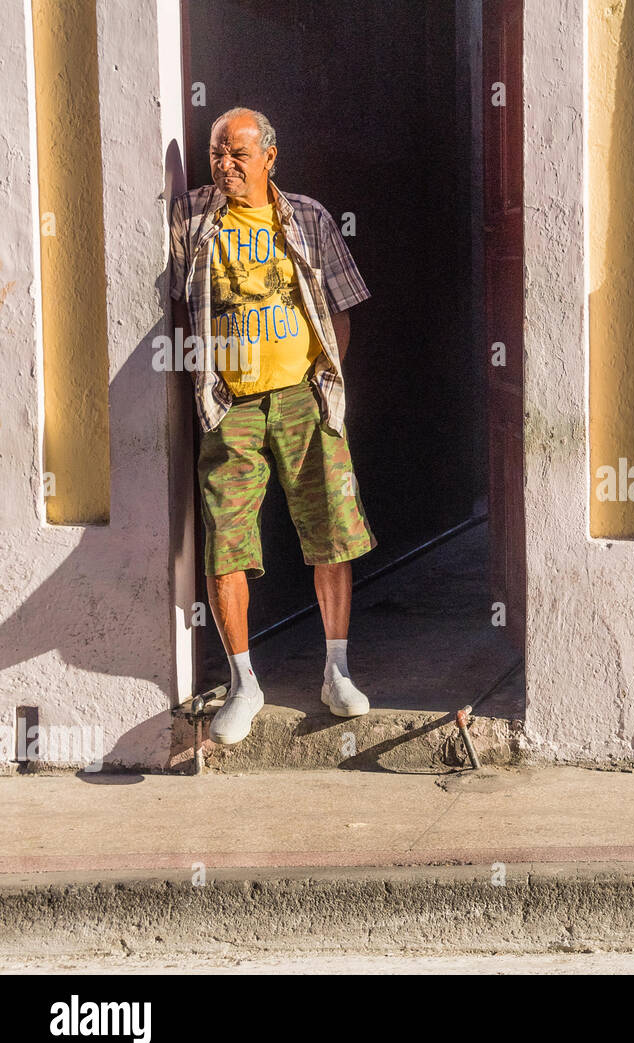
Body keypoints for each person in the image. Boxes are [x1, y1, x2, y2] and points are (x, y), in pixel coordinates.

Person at [168, 107, 376, 744]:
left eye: (238, 154)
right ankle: (242, 682)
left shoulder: (308, 218)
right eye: (217, 154)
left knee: (333, 532)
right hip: (229, 407)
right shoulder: (193, 218)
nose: (226, 166)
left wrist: (325, 376)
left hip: (302, 400)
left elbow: (341, 308)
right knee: (224, 543)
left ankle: (336, 670)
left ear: (270, 158)